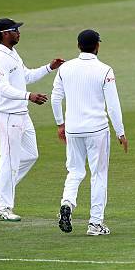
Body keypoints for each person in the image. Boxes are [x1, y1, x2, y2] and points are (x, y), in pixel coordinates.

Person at [0, 18, 64, 221]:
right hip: (9, 115)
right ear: (4, 34)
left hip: (21, 114)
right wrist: (29, 96)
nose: (18, 32)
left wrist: (49, 68)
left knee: (30, 154)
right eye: (14, 30)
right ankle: (2, 207)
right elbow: (3, 89)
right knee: (9, 160)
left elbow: (25, 76)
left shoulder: (12, 54)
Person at [51, 29, 127, 236]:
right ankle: (95, 224)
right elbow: (113, 106)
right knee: (99, 175)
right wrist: (120, 132)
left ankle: (67, 204)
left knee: (75, 171)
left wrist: (60, 124)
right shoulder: (105, 70)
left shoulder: (65, 69)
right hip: (97, 130)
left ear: (78, 46)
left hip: (73, 129)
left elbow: (56, 98)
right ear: (97, 46)